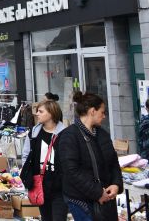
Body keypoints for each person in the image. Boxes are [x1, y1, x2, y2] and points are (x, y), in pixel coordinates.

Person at [57, 91, 122, 221]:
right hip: (82, 201)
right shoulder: (69, 136)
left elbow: (113, 163)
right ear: (92, 111)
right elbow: (71, 172)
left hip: (106, 201)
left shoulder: (102, 134)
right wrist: (98, 193)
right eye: (102, 112)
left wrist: (116, 184)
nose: (104, 116)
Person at [21, 99, 67, 221]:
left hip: (60, 188)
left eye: (41, 111)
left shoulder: (65, 134)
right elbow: (26, 155)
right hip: (40, 186)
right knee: (46, 218)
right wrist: (27, 173)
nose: (37, 114)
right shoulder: (34, 133)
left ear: (51, 113)